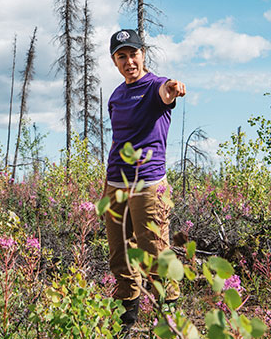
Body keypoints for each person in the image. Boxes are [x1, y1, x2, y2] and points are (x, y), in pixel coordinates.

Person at [103, 28, 186, 330]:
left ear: (143, 54)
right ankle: (126, 323)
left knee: (154, 253)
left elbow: (167, 90)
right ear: (114, 61)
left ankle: (170, 322)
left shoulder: (154, 87)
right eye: (121, 56)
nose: (129, 61)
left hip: (148, 185)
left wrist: (174, 87)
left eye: (133, 54)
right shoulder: (116, 95)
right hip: (115, 184)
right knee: (120, 256)